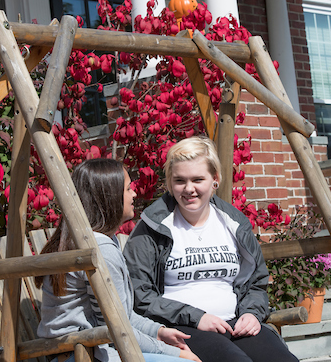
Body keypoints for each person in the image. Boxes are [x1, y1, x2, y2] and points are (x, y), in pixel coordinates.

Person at [123, 137, 299, 362]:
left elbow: (256, 281)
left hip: (236, 323)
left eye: (198, 179)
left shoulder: (234, 222)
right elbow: (140, 295)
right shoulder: (152, 226)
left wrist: (251, 313)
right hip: (181, 328)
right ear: (169, 182)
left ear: (214, 179)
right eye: (179, 181)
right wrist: (197, 317)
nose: (189, 189)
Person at [35, 158, 201, 362]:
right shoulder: (100, 249)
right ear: (109, 197)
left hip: (86, 349)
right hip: (81, 354)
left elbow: (123, 318)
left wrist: (158, 331)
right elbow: (117, 330)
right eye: (128, 188)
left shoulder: (92, 240)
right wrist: (174, 353)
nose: (135, 193)